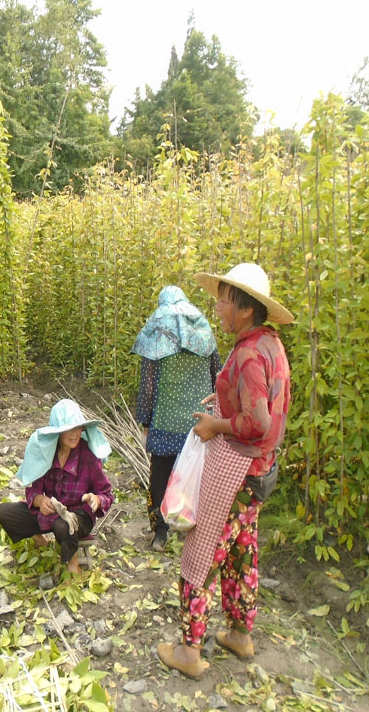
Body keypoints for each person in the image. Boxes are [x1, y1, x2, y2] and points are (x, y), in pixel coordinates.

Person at [157, 263, 293, 680]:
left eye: (223, 299)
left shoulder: (250, 353)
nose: (217, 307)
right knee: (240, 551)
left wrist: (215, 425)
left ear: (245, 309)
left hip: (236, 471)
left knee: (201, 555)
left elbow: (257, 423)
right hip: (258, 474)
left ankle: (189, 651)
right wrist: (221, 401)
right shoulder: (270, 344)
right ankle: (239, 633)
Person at [132, 285, 221, 552]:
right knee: (193, 476)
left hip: (165, 423)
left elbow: (147, 387)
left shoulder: (156, 337)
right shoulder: (203, 336)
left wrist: (145, 421)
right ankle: (193, 528)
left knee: (160, 474)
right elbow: (218, 376)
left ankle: (161, 532)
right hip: (199, 423)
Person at [0, 399, 114, 574]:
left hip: (78, 517)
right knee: (5, 512)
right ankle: (39, 539)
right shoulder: (48, 453)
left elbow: (106, 493)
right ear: (57, 433)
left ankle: (72, 560)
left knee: (63, 525)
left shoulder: (88, 455)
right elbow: (33, 490)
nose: (74, 434)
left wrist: (96, 499)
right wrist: (39, 500)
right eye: (68, 430)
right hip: (50, 514)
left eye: (78, 428)